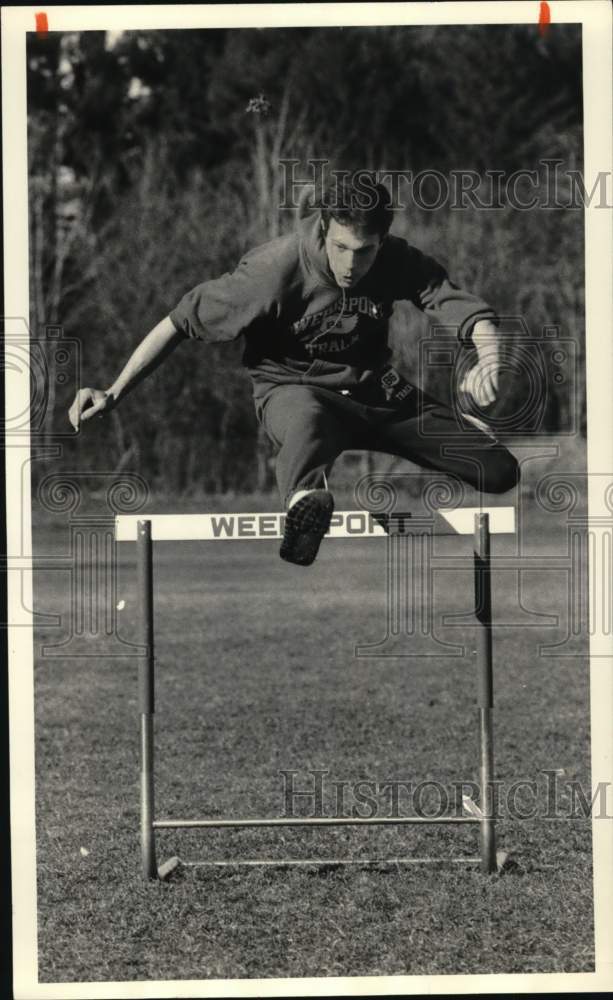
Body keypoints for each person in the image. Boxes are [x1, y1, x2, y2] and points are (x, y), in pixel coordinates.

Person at [69, 174, 519, 565]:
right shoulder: (272, 270)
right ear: (324, 227)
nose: (350, 265)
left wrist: (491, 358)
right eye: (341, 248)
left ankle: (465, 432)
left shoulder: (396, 259)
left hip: (374, 392)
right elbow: (177, 322)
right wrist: (114, 392)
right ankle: (306, 505)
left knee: (500, 474)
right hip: (293, 387)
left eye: (363, 253)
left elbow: (463, 308)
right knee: (305, 417)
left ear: (381, 242)